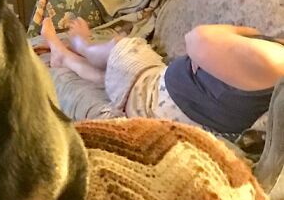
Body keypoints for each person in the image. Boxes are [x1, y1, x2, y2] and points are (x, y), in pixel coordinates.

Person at [40, 17, 284, 135]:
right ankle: (64, 57)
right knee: (104, 76)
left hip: (151, 95)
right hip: (156, 105)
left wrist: (241, 32)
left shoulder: (276, 60)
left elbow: (197, 39)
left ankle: (81, 44)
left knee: (122, 45)